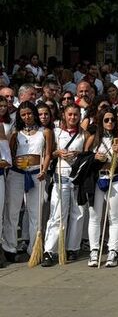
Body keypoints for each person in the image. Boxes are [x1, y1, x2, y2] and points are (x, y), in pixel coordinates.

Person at [4, 102, 52, 263]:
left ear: (35, 113)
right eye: (23, 114)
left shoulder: (45, 132)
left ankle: (34, 249)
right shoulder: (15, 132)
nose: (27, 117)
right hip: (17, 174)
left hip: (36, 174)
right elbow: (9, 153)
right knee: (12, 211)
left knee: (35, 213)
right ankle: (10, 248)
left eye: (29, 113)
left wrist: (44, 171)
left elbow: (47, 154)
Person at [40, 104, 87, 266]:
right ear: (64, 115)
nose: (73, 118)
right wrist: (58, 153)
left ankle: (72, 248)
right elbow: (49, 153)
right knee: (57, 214)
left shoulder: (84, 135)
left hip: (78, 178)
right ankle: (50, 251)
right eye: (70, 115)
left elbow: (88, 154)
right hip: (61, 176)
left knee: (78, 214)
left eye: (76, 115)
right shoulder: (56, 132)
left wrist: (78, 154)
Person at [85, 109, 118, 267]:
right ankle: (94, 250)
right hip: (97, 179)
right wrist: (94, 157)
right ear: (101, 122)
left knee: (114, 217)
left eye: (112, 120)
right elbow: (84, 159)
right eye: (107, 120)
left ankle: (113, 251)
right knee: (95, 216)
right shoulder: (93, 139)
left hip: (115, 178)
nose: (110, 123)